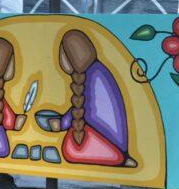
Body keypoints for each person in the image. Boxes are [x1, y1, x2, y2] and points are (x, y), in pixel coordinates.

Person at [49, 29, 136, 167]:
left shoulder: (92, 75)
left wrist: (61, 124)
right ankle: (119, 157)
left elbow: (83, 109)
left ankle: (118, 158)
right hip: (113, 143)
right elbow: (80, 107)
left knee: (69, 150)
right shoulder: (97, 70)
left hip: (107, 144)